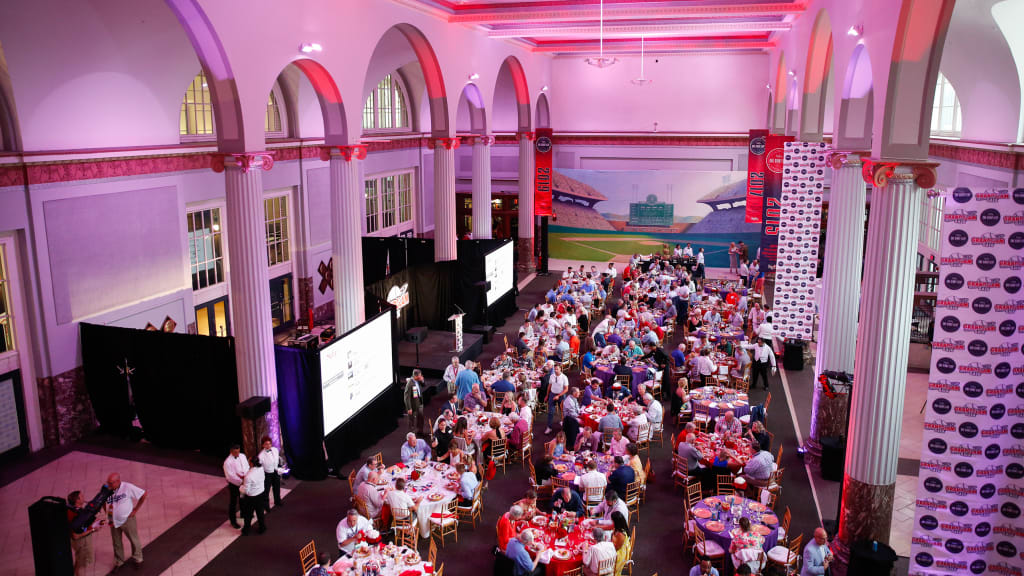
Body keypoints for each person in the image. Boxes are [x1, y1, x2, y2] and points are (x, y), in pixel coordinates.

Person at [105, 472, 147, 568]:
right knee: (116, 542)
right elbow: (102, 500)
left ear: (118, 481)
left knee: (133, 539)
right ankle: (119, 561)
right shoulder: (107, 489)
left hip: (127, 519)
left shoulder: (127, 487)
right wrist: (105, 512)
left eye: (111, 483)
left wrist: (136, 509)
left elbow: (144, 494)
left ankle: (138, 559)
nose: (109, 485)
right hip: (113, 520)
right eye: (108, 482)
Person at [67, 490, 102, 576]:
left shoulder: (77, 509)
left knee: (80, 559)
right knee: (81, 560)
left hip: (82, 539)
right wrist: (93, 530)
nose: (84, 497)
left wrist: (94, 521)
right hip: (81, 541)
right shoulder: (72, 514)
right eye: (82, 496)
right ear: (77, 500)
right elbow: (76, 536)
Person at [223, 444, 249, 529]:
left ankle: (243, 513)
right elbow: (230, 476)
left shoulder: (242, 456)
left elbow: (247, 466)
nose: (237, 454)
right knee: (233, 502)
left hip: (243, 481)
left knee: (242, 498)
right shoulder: (227, 462)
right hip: (234, 484)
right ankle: (233, 521)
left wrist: (246, 478)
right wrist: (241, 482)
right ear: (231, 451)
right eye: (235, 452)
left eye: (238, 451)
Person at [239, 455, 266, 535]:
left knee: (248, 514)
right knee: (260, 512)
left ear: (251, 463)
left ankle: (246, 530)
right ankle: (262, 527)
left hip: (251, 497)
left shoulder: (249, 476)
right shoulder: (261, 469)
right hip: (261, 494)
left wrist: (240, 487)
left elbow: (246, 490)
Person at [258, 436, 283, 511]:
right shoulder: (261, 455)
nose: (268, 445)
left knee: (277, 487)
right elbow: (260, 467)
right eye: (266, 444)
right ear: (263, 445)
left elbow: (277, 459)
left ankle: (277, 501)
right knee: (266, 490)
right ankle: (266, 506)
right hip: (267, 474)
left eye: (269, 444)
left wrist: (279, 468)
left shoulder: (275, 450)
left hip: (275, 471)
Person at [545, 364, 569, 434]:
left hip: (561, 395)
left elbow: (566, 389)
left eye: (557, 369)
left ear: (560, 369)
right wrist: (547, 395)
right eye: (554, 369)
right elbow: (549, 386)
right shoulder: (552, 376)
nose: (555, 370)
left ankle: (565, 426)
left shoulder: (564, 377)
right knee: (550, 412)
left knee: (563, 411)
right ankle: (549, 427)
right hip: (552, 394)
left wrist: (558, 395)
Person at [404, 368, 427, 435]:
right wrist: (409, 408)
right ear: (415, 376)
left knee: (421, 418)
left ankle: (420, 432)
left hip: (420, 403)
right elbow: (406, 397)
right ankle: (411, 435)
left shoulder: (418, 380)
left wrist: (422, 380)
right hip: (413, 405)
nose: (421, 376)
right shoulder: (409, 384)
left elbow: (424, 385)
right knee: (412, 421)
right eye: (420, 375)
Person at [610, 510, 631, 576]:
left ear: (616, 522)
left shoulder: (621, 534)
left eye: (612, 520)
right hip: (617, 547)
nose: (611, 521)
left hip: (620, 554)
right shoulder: (618, 528)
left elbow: (617, 548)